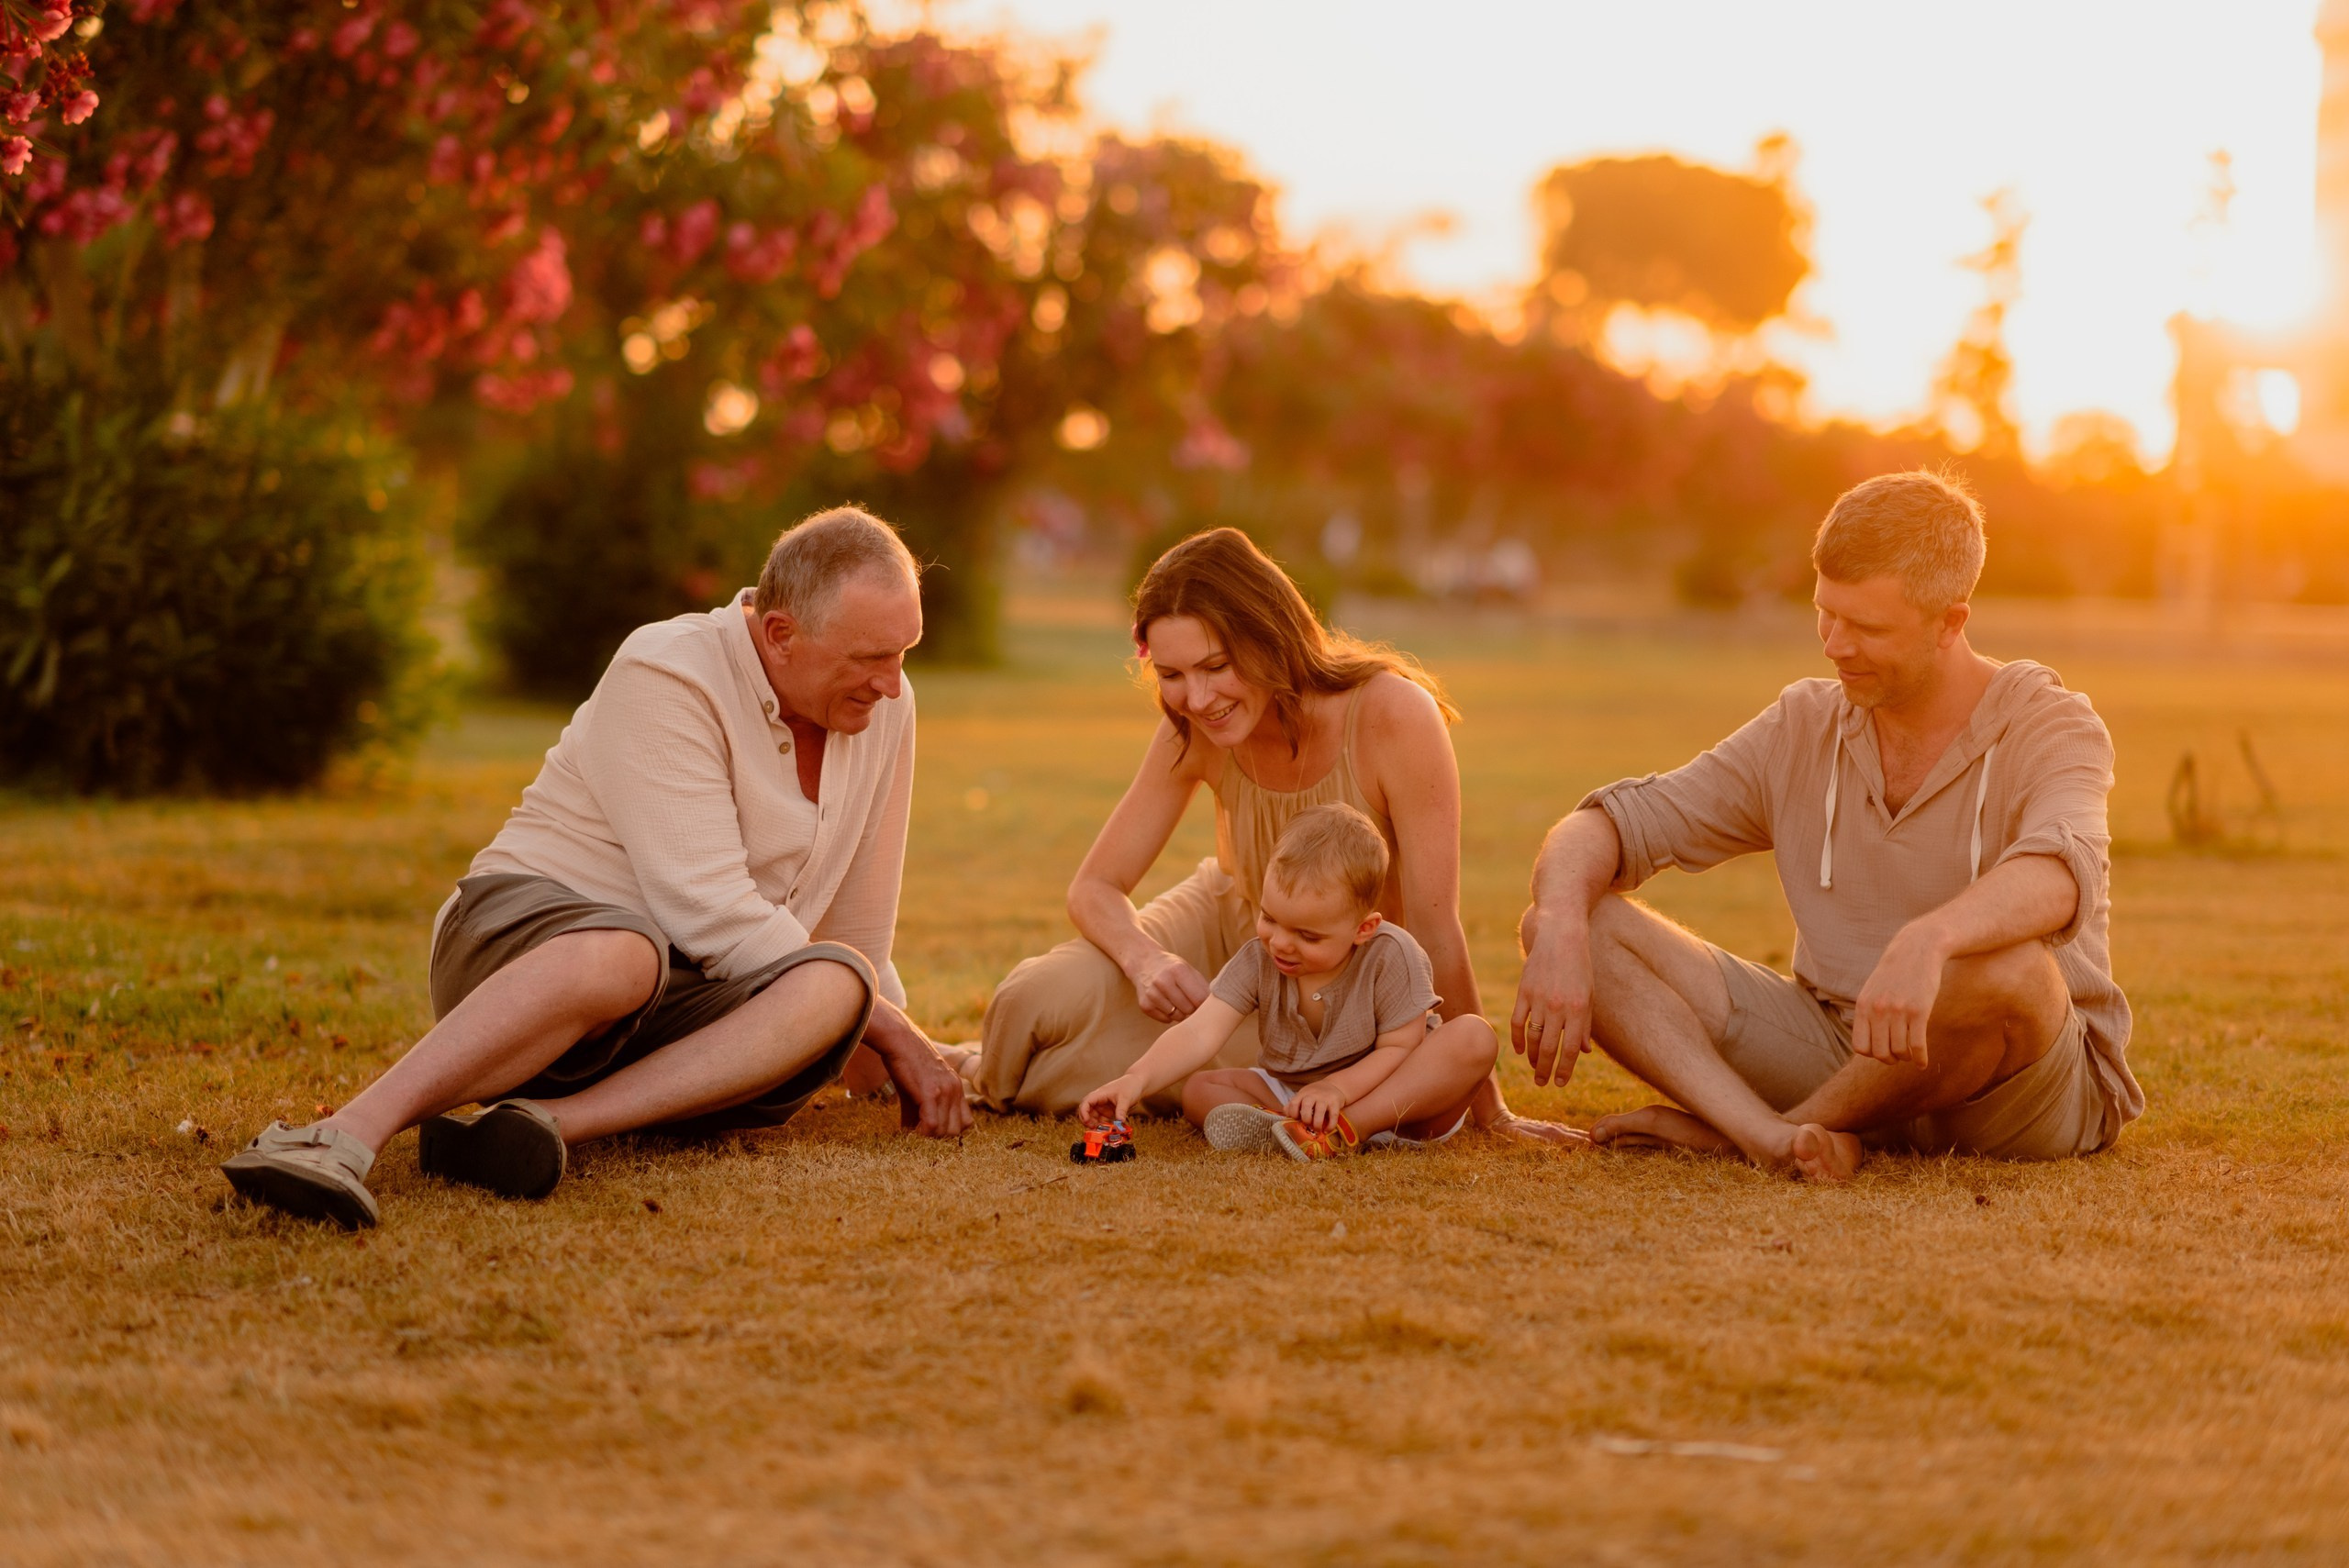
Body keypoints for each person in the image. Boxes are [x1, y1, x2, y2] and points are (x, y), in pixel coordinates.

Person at [222, 507, 971, 1229]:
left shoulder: (884, 711)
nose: (893, 683)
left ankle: (543, 1127)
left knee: (838, 980)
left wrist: (903, 1051)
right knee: (628, 951)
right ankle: (342, 1136)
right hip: (521, 953)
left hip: (676, 1016)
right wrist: (897, 1035)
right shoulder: (667, 670)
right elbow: (708, 909)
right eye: (872, 658)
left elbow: (857, 932)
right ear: (780, 635)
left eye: (905, 653)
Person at [1510, 471, 2140, 1181]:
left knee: (2011, 967)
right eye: (1825, 614)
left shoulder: (2052, 722)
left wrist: (1931, 940)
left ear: (1950, 623)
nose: (1835, 645)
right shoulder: (1803, 723)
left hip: (2021, 1087)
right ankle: (1777, 1141)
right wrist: (1562, 920)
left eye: (1867, 627)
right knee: (1565, 920)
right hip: (1839, 1048)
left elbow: (2060, 873)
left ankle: (1758, 1133)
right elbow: (1615, 822)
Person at [963, 527, 1577, 1145]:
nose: (1197, 699)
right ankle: (971, 1067)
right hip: (1239, 941)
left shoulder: (1393, 716)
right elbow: (1094, 887)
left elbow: (1436, 925)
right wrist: (1145, 960)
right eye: (1172, 674)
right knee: (1029, 1000)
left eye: (1215, 666)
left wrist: (1488, 1109)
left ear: (1269, 635)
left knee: (1093, 1070)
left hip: (1338, 984)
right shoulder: (1192, 725)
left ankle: (977, 1071)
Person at [1078, 803, 1498, 1159]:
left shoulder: (1393, 956)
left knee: (1473, 1039)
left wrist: (1337, 1090)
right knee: (1202, 1089)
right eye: (1269, 918)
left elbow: (1399, 1048)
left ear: (1363, 929)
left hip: (1401, 1104)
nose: (1280, 943)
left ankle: (1349, 1129)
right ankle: (1294, 1132)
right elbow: (1200, 1032)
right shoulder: (1260, 960)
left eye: (1308, 936)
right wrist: (1135, 1079)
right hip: (1297, 1096)